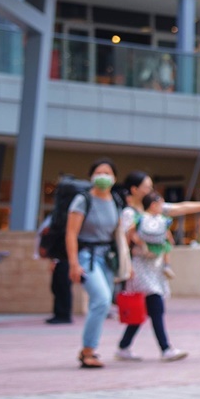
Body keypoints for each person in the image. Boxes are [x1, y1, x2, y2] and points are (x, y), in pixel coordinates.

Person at [115, 178, 200, 361]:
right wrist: (127, 266)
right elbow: (125, 241)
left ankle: (124, 346)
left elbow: (182, 207)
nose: (149, 189)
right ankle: (165, 348)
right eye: (146, 186)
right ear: (134, 189)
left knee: (146, 308)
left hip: (155, 267)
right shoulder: (130, 214)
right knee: (155, 305)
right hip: (139, 266)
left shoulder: (158, 211)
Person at [63, 158, 122, 368]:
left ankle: (89, 349)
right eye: (99, 172)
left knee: (103, 304)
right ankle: (88, 350)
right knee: (102, 299)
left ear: (114, 178)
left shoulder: (116, 201)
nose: (103, 177)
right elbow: (71, 233)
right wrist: (73, 264)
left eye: (108, 173)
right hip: (87, 256)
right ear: (91, 176)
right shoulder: (82, 200)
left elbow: (119, 234)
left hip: (108, 257)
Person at [38, 213, 73, 324]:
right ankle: (59, 313)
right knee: (56, 287)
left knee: (63, 287)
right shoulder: (56, 221)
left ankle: (63, 315)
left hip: (63, 259)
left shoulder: (64, 225)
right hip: (59, 259)